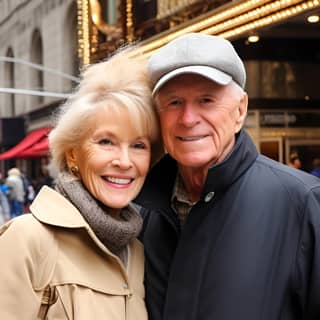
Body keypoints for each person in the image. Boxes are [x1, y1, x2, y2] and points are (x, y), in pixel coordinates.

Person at [135, 33, 320, 319]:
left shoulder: (302, 203)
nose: (187, 118)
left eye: (206, 100)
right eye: (173, 102)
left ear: (240, 110)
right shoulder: (140, 212)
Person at [0, 47, 161, 319]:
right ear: (73, 153)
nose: (124, 161)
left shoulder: (138, 250)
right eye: (106, 142)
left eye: (138, 145)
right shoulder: (28, 239)